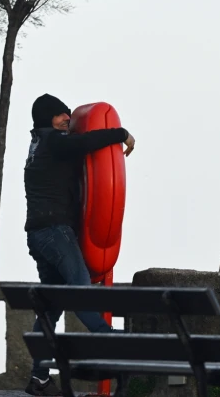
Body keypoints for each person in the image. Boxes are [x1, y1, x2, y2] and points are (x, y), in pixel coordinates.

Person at [23, 93, 136, 396]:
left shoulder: (37, 144)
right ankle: (110, 338)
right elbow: (85, 142)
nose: (67, 119)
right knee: (79, 287)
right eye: (61, 115)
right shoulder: (53, 141)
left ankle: (39, 378)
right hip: (55, 232)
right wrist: (121, 134)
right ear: (48, 118)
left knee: (50, 310)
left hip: (39, 235)